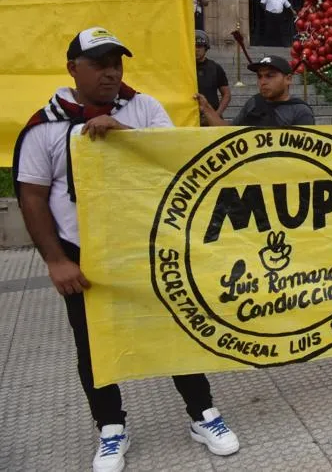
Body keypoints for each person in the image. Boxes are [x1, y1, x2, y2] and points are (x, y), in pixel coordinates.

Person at [13, 27, 240, 472]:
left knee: (175, 330)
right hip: (84, 259)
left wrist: (125, 134)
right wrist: (56, 261)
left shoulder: (143, 107)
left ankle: (201, 413)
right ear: (72, 69)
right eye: (98, 64)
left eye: (116, 63)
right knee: (93, 344)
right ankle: (111, 426)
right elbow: (32, 196)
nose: (110, 72)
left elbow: (172, 164)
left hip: (147, 248)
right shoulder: (45, 126)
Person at [197, 54, 314, 127]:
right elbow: (230, 133)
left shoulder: (300, 111)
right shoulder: (254, 102)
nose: (262, 81)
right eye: (259, 76)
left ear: (288, 79)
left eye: (270, 76)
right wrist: (207, 108)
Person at [194, 30, 230, 126]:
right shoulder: (185, 68)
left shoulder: (215, 67)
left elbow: (226, 94)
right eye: (193, 46)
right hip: (190, 119)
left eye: (199, 46)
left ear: (206, 48)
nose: (196, 49)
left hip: (212, 119)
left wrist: (216, 115)